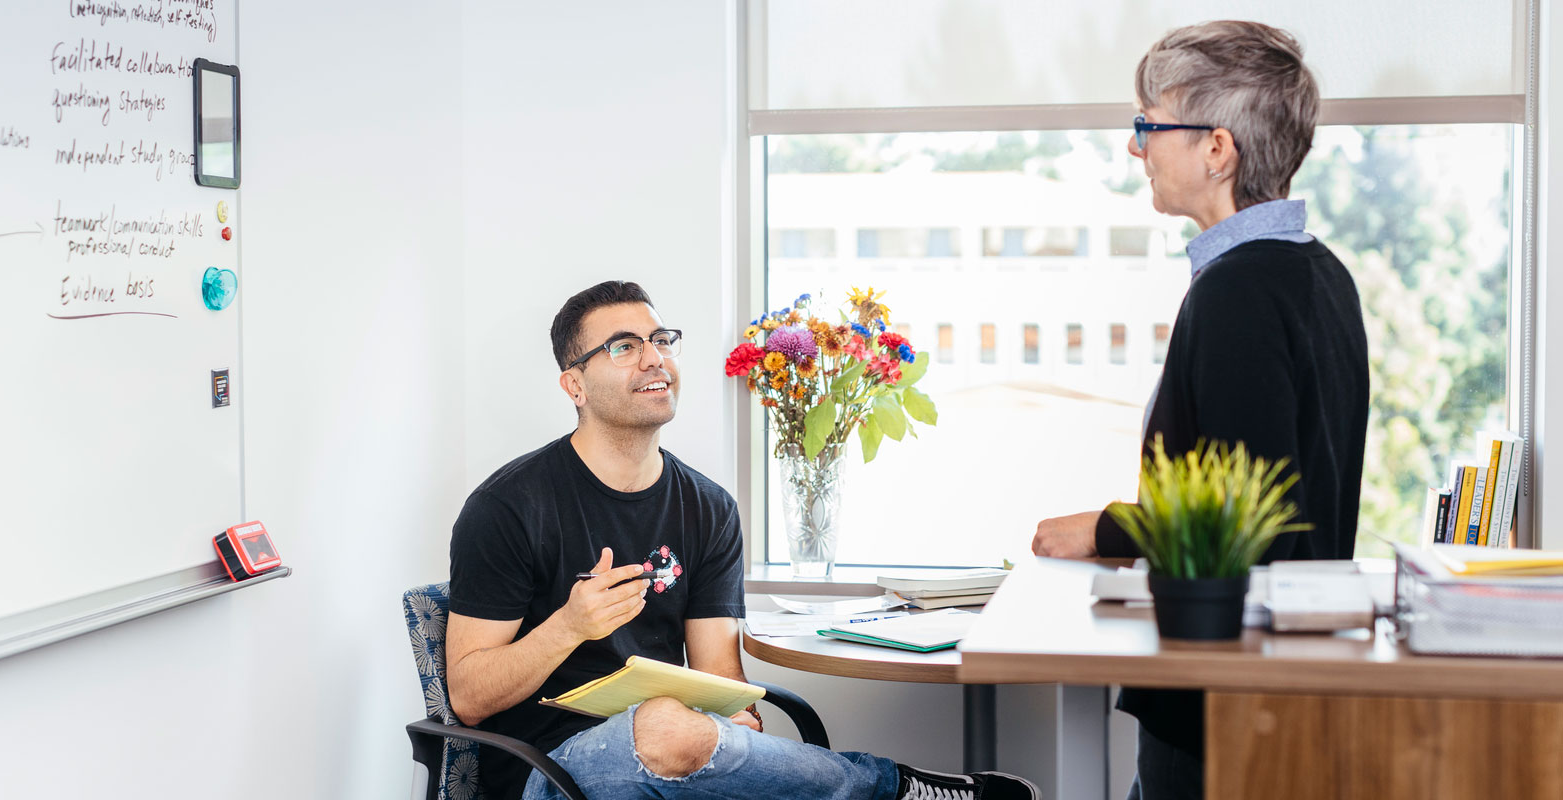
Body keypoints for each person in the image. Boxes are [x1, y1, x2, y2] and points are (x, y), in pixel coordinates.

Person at [448, 280, 1041, 800]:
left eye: (661, 340)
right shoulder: (508, 507)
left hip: (675, 756)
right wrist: (569, 626)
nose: (654, 358)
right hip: (549, 772)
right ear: (574, 385)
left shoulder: (707, 508)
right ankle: (893, 788)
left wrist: (733, 714)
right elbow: (470, 697)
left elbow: (718, 675)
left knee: (680, 727)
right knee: (665, 726)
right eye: (624, 347)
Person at [1029, 21, 1369, 800]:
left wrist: (1103, 528)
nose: (1134, 146)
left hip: (1224, 686)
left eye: (1149, 124)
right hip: (1275, 683)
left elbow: (1255, 518)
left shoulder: (1237, 292)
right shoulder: (1318, 274)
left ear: (1216, 149)